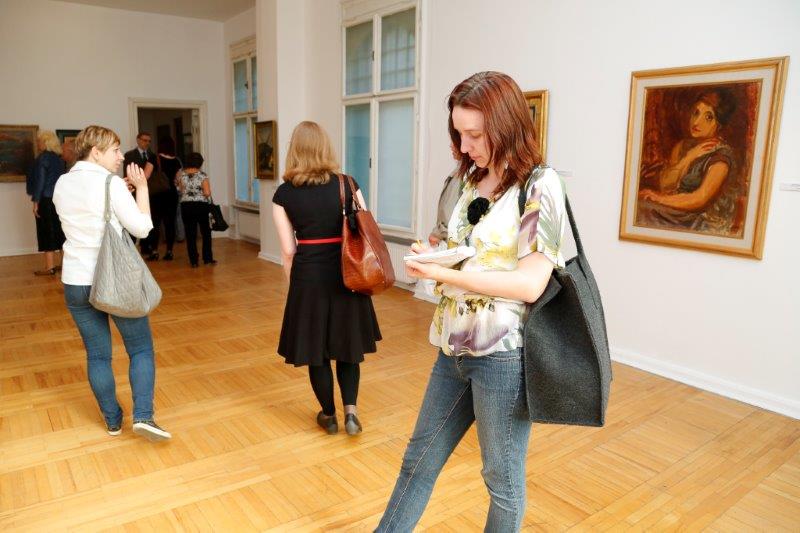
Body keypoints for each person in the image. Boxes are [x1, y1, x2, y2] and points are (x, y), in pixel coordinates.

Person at [376, 72, 567, 532]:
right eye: (459, 134)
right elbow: (468, 250)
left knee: (501, 481)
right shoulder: (470, 181)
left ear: (505, 125)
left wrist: (442, 273)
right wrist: (434, 254)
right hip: (453, 348)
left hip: (503, 356)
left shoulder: (540, 185)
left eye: (475, 135)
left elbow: (530, 284)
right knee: (417, 462)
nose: (464, 146)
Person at [52, 125, 171, 441]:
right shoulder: (111, 184)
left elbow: (89, 214)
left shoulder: (62, 182)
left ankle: (112, 420)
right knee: (140, 348)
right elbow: (142, 228)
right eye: (115, 150)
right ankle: (143, 415)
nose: (120, 157)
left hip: (76, 280)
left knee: (98, 355)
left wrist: (119, 192)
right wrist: (141, 188)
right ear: (96, 152)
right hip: (115, 279)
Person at [272, 121, 381, 436]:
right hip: (349, 273)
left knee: (316, 351)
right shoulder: (347, 183)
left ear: (294, 151)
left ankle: (329, 415)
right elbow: (366, 228)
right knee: (348, 346)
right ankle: (351, 413)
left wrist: (294, 285)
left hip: (309, 276)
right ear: (325, 148)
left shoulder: (284, 194)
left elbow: (288, 250)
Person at [637, 89, 740, 235]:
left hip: (702, 221)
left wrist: (658, 198)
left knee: (642, 209)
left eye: (708, 117)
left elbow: (699, 199)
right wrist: (688, 158)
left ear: (719, 124)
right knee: (640, 207)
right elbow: (665, 185)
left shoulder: (721, 156)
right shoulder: (683, 146)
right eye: (696, 113)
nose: (696, 122)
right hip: (677, 211)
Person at [30, 130, 66, 276]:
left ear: (45, 142)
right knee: (60, 231)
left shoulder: (42, 158)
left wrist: (35, 202)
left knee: (46, 231)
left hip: (45, 200)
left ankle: (49, 267)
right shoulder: (59, 159)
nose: (38, 143)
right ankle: (65, 265)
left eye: (39, 141)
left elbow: (40, 182)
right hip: (59, 200)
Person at [145, 136, 182, 261]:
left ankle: (154, 251)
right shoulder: (176, 161)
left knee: (155, 223)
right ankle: (169, 251)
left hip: (157, 195)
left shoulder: (154, 158)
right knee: (170, 223)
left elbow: (145, 176)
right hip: (171, 195)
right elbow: (178, 180)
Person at [177, 152, 215, 267]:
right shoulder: (202, 175)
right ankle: (207, 259)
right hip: (201, 206)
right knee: (206, 233)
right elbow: (207, 193)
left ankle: (193, 261)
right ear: (200, 162)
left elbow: (181, 190)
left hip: (186, 206)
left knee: (190, 234)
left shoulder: (182, 175)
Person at [123, 131, 155, 253]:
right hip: (134, 192)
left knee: (148, 219)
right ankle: (131, 248)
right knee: (133, 219)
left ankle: (147, 247)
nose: (147, 143)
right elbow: (127, 174)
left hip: (151, 192)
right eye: (144, 140)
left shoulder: (152, 155)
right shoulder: (129, 155)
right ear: (138, 140)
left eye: (149, 141)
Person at [428, 141, 464, 247]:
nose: (451, 145)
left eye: (454, 140)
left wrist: (438, 234)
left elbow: (451, 215)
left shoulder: (466, 176)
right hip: (445, 243)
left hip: (451, 244)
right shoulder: (458, 171)